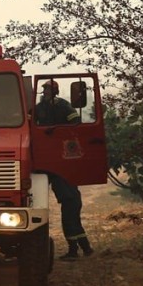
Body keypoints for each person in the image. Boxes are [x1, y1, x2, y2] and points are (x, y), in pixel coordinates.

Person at [34, 80, 94, 259]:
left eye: (48, 89)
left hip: (58, 152)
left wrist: (58, 131)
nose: (45, 92)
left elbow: (75, 122)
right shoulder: (38, 108)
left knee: (70, 220)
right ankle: (86, 249)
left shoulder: (64, 106)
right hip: (45, 153)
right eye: (44, 89)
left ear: (55, 91)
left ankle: (76, 251)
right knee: (72, 220)